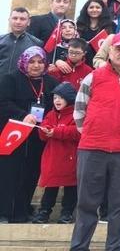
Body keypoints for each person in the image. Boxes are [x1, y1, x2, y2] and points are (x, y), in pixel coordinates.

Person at [70, 32, 120, 251]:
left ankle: (116, 247)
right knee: (87, 203)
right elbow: (79, 108)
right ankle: (79, 247)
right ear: (110, 50)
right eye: (119, 49)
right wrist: (90, 131)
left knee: (119, 204)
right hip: (92, 147)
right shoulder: (94, 76)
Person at [0, 46, 59, 223]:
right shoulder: (10, 79)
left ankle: (22, 211)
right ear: (24, 62)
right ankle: (4, 211)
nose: (36, 65)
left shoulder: (51, 82)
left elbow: (57, 107)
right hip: (13, 133)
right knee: (9, 173)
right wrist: (22, 115)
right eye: (32, 61)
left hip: (37, 137)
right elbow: (2, 103)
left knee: (31, 173)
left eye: (40, 62)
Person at [32, 82, 80, 224]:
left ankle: (67, 213)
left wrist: (56, 131)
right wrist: (44, 130)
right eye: (55, 98)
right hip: (52, 156)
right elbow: (43, 129)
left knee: (71, 187)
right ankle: (44, 211)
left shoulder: (77, 114)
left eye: (61, 97)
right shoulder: (51, 114)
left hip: (70, 157)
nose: (57, 101)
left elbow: (78, 131)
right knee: (50, 187)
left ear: (69, 98)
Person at [1, 7, 43, 76]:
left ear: (28, 22)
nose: (18, 22)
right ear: (9, 20)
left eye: (22, 19)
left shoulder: (36, 44)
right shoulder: (1, 40)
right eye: (15, 18)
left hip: (22, 84)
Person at [75, 0, 114, 65]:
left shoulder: (111, 25)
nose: (94, 9)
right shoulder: (78, 25)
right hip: (83, 61)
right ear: (86, 9)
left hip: (102, 62)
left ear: (103, 9)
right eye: (91, 7)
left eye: (97, 7)